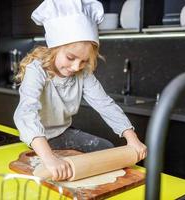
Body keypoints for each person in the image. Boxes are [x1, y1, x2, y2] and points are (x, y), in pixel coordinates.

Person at [14, 0, 147, 181]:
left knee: (107, 147)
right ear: (54, 49)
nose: (76, 66)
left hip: (64, 132)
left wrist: (131, 137)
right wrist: (49, 158)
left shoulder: (82, 74)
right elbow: (26, 113)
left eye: (83, 61)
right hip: (39, 140)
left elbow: (104, 104)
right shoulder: (36, 70)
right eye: (70, 57)